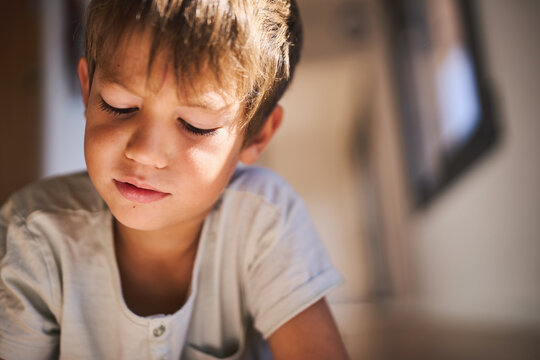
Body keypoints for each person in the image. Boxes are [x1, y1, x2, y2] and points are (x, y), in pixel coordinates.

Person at [0, 1, 349, 359]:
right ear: (88, 90)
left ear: (257, 135)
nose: (145, 152)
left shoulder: (263, 222)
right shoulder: (35, 234)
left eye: (195, 125)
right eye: (119, 105)